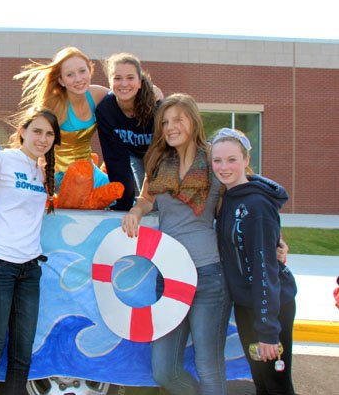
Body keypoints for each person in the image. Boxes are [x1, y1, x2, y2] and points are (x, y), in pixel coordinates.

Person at [121, 93, 231, 395]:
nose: (170, 127)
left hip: (208, 273)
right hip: (168, 276)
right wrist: (136, 210)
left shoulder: (214, 159)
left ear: (193, 121)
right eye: (165, 122)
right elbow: (147, 198)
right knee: (164, 370)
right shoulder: (158, 162)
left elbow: (245, 196)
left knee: (209, 365)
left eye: (177, 120)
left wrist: (274, 238)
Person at [0, 108, 61, 394]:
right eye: (37, 131)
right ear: (22, 131)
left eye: (49, 134)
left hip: (30, 269)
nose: (43, 138)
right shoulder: (1, 159)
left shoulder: (42, 171)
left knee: (23, 350)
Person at [211, 128, 297, 395]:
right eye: (217, 160)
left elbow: (264, 270)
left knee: (276, 386)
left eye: (232, 159)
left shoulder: (256, 205)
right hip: (250, 306)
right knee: (263, 384)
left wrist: (268, 329)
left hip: (269, 306)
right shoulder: (230, 198)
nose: (224, 167)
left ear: (247, 160)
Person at [15, 46, 109, 186]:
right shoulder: (54, 105)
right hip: (60, 176)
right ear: (61, 80)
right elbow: (35, 139)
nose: (78, 79)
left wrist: (152, 91)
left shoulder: (98, 95)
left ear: (90, 70)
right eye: (70, 74)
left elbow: (127, 97)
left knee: (121, 197)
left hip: (90, 172)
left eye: (82, 71)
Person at [96, 52, 163, 210]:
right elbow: (115, 160)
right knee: (136, 201)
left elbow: (163, 152)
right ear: (110, 82)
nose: (124, 83)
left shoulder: (157, 106)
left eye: (130, 77)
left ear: (140, 82)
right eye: (117, 78)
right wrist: (123, 205)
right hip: (133, 155)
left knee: (157, 203)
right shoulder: (105, 111)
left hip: (159, 156)